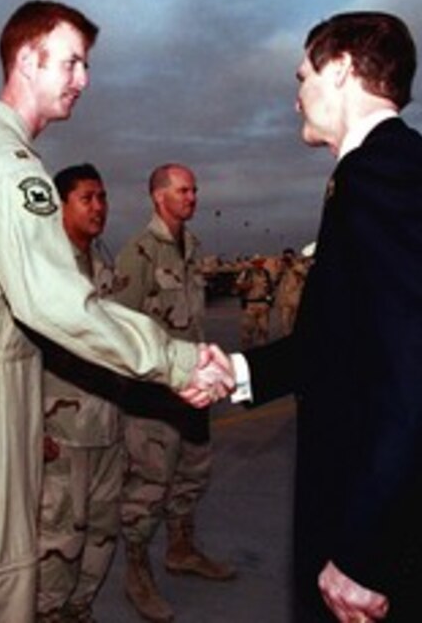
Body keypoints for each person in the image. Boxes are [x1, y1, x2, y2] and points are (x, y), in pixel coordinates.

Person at [0, 0, 231, 623]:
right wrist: (176, 360)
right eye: (73, 62)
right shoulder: (10, 170)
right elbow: (57, 303)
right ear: (28, 59)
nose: (84, 79)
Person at [216, 11, 422, 621]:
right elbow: (343, 343)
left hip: (409, 554)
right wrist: (235, 370)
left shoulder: (387, 176)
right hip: (406, 530)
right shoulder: (383, 171)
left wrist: (364, 554)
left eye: (303, 75)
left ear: (341, 69)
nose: (295, 94)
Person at [112, 163, 236, 623]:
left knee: (191, 477)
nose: (193, 198)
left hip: (194, 392)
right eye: (184, 190)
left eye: (195, 190)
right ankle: (137, 572)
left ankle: (181, 550)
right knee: (148, 488)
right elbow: (118, 328)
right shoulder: (138, 254)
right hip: (155, 397)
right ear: (158, 196)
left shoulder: (193, 249)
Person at [35, 163, 126, 623]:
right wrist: (31, 427)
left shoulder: (104, 270)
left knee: (103, 532)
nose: (99, 207)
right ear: (61, 204)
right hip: (62, 432)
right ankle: (49, 614)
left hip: (108, 427)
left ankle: (79, 610)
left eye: (103, 197)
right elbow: (23, 355)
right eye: (87, 198)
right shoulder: (45, 269)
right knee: (59, 538)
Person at [234, 255, 275, 348]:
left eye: (260, 262)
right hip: (250, 304)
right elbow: (238, 285)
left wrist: (270, 298)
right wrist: (246, 286)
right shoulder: (247, 273)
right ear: (253, 264)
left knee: (264, 328)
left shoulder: (266, 273)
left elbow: (271, 287)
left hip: (263, 304)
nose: (259, 264)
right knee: (248, 328)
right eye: (256, 263)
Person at [274, 247, 308, 336]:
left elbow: (305, 274)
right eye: (285, 257)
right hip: (284, 300)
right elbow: (275, 281)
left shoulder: (298, 266)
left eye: (288, 257)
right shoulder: (283, 268)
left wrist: (293, 264)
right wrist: (281, 269)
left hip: (296, 299)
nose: (287, 259)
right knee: (284, 324)